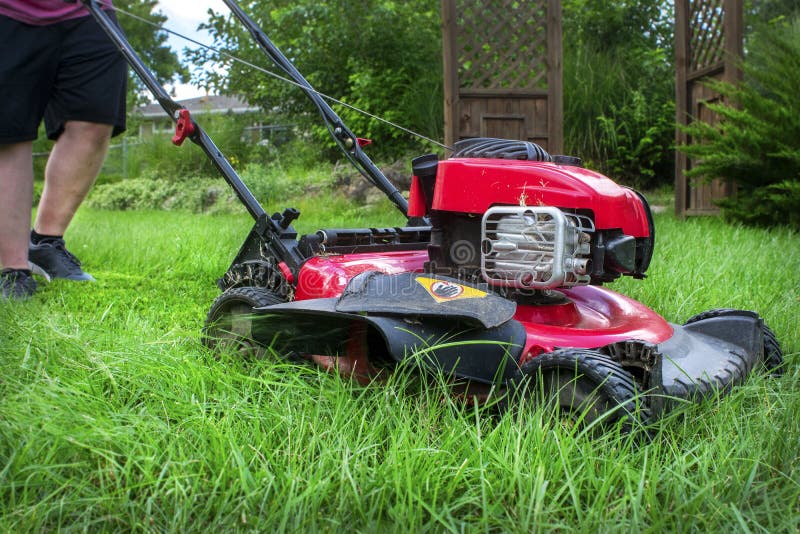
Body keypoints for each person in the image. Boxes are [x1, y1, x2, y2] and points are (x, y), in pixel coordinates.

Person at [0, 0, 127, 301]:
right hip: (9, 10)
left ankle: (46, 243)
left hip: (88, 9)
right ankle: (13, 270)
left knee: (95, 119)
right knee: (8, 135)